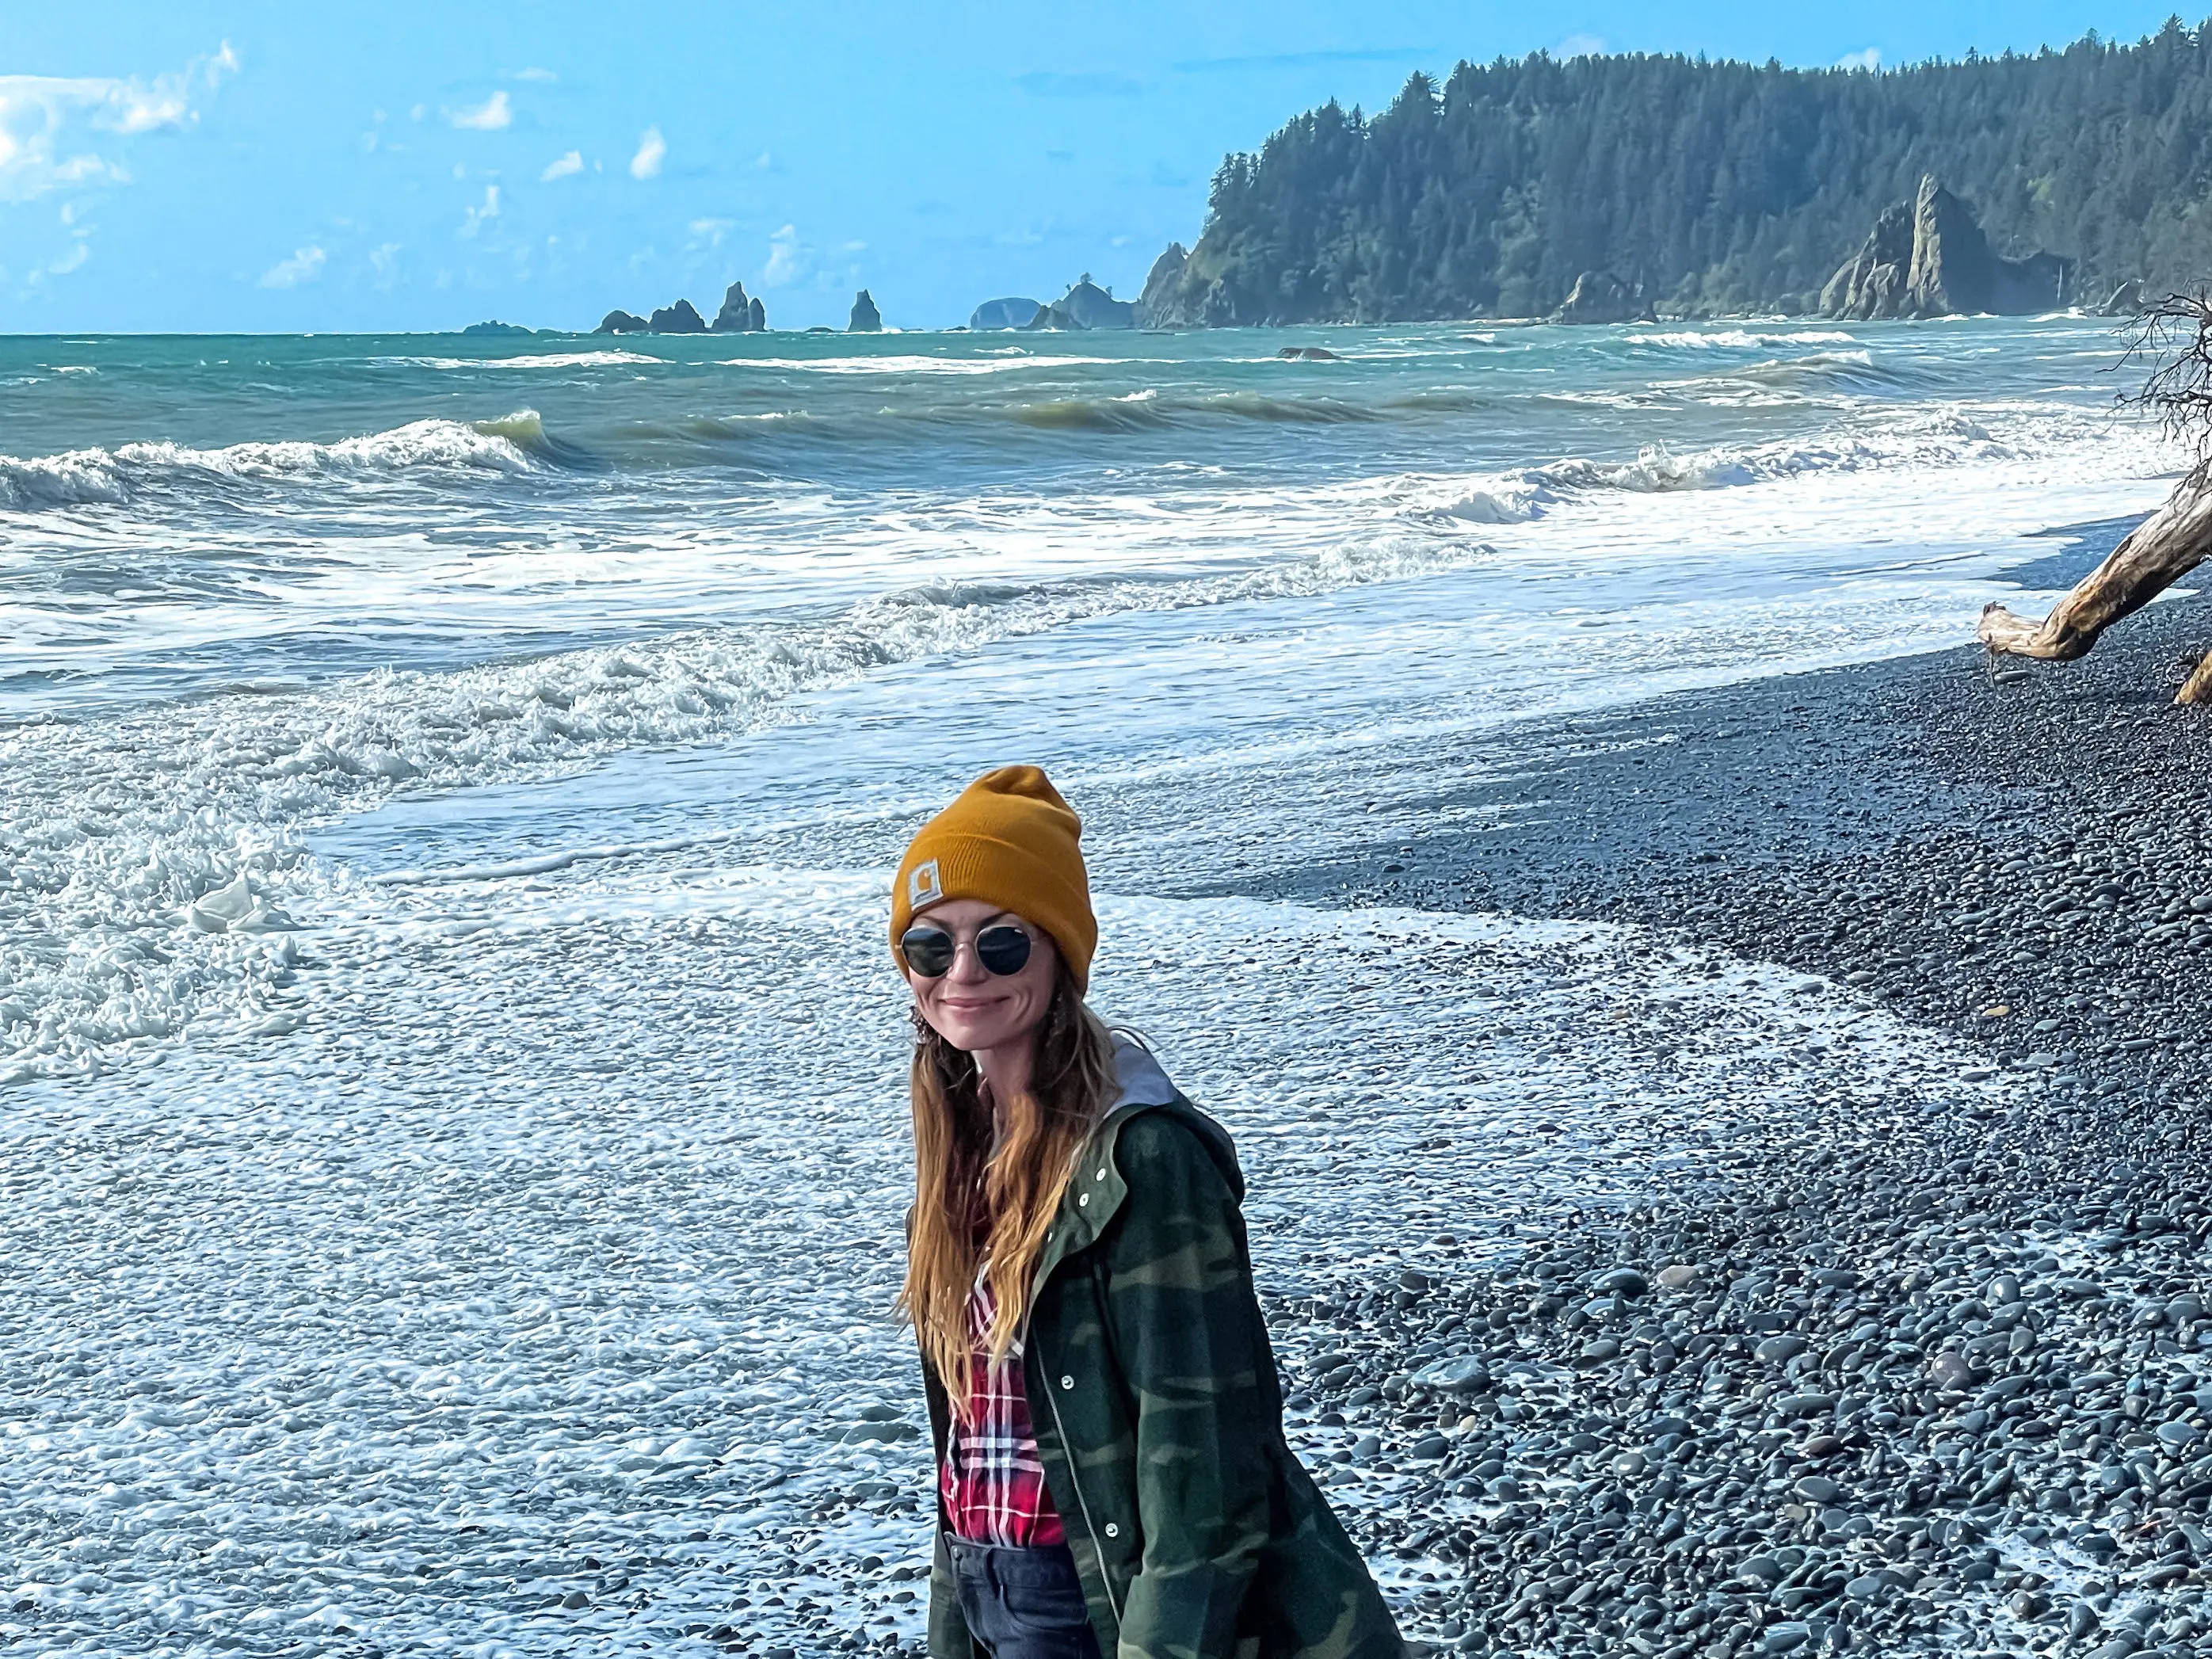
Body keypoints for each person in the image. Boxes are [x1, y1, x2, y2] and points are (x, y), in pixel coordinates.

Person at [891, 765, 1404, 1659]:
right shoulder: (957, 1157)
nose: (962, 973)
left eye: (1002, 944)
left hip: (1100, 1605)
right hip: (991, 1586)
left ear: (1059, 955)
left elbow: (1205, 1468)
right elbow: (966, 1449)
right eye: (932, 947)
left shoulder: (1143, 1160)